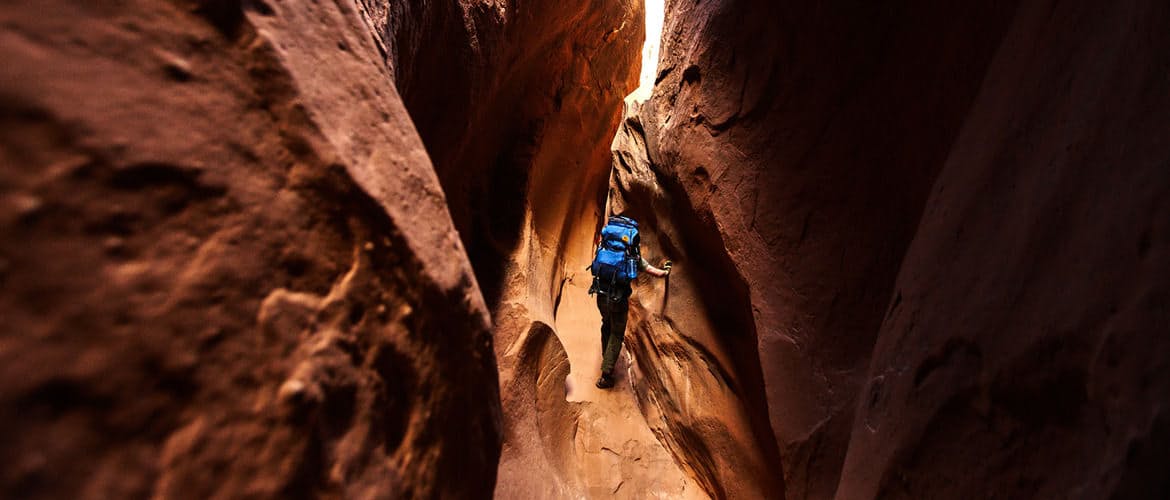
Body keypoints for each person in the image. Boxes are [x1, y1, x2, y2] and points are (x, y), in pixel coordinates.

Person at [588, 213, 672, 389]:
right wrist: (666, 271)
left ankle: (606, 357)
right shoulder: (633, 256)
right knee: (616, 333)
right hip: (619, 300)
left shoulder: (605, 246)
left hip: (601, 295)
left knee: (606, 325)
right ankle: (606, 374)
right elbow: (654, 272)